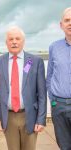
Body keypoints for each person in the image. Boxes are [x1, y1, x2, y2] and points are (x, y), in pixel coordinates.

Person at [0, 26, 47, 150]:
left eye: (17, 39)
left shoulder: (35, 61)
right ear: (6, 43)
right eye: (10, 39)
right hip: (8, 116)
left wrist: (41, 119)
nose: (14, 42)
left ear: (23, 41)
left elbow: (42, 94)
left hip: (30, 115)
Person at [47, 7, 71, 150]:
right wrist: (53, 98)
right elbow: (49, 75)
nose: (70, 23)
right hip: (59, 106)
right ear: (61, 25)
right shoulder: (54, 47)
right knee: (64, 146)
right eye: (67, 20)